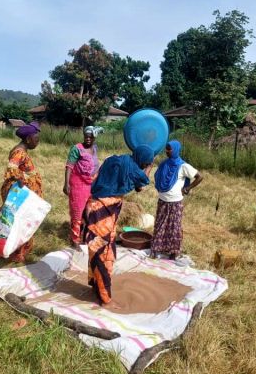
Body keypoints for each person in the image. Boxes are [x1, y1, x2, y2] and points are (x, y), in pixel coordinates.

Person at [84, 145, 154, 309]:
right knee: (103, 254)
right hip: (102, 213)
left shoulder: (115, 159)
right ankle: (105, 299)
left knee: (98, 250)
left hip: (95, 207)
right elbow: (142, 183)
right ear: (143, 162)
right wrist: (149, 167)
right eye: (145, 164)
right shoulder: (133, 168)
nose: (144, 167)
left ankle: (96, 286)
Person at [151, 140, 203, 261]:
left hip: (175, 203)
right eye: (166, 149)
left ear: (176, 150)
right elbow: (158, 176)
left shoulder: (183, 166)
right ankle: (157, 249)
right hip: (163, 201)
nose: (167, 151)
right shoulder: (164, 164)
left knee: (174, 227)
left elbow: (200, 177)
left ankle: (173, 253)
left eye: (170, 149)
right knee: (160, 225)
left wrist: (188, 188)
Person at [0, 121, 42, 263]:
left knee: (22, 223)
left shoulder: (21, 151)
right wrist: (22, 183)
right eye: (36, 139)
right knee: (20, 223)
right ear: (28, 139)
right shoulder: (19, 152)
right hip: (20, 194)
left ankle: (19, 252)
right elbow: (12, 168)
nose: (37, 142)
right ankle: (17, 254)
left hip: (22, 192)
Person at [63, 126, 102, 249]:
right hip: (78, 184)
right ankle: (75, 239)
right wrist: (66, 183)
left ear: (94, 138)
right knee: (77, 212)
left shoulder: (95, 148)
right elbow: (69, 166)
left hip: (91, 184)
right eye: (86, 136)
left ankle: (85, 236)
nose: (88, 139)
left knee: (89, 211)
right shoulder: (77, 149)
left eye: (90, 137)